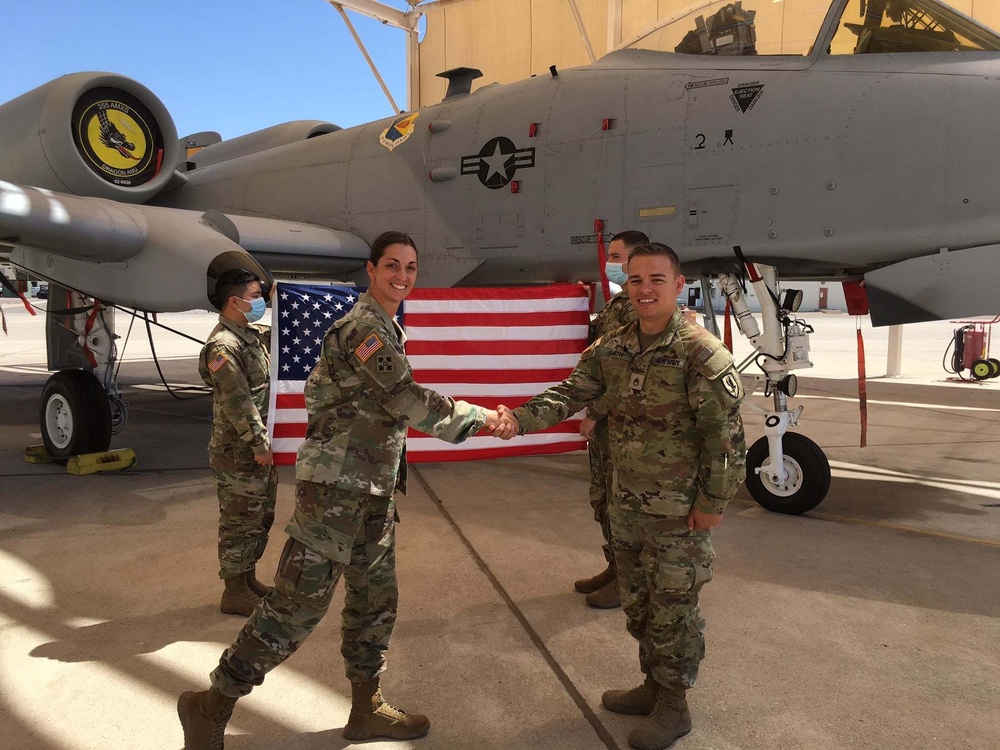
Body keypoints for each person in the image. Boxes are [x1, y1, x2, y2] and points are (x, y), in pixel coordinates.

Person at [178, 231, 502, 750]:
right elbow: (406, 399)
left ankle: (366, 708)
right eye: (393, 266)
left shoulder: (387, 325)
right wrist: (487, 419)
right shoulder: (363, 330)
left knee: (376, 601)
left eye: (411, 268)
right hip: (334, 491)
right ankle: (209, 705)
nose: (402, 276)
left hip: (371, 488)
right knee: (294, 609)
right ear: (371, 270)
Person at [494, 243, 746, 750]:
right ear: (625, 287)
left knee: (674, 608)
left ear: (678, 285)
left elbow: (726, 441)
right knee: (638, 604)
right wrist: (517, 419)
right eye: (635, 280)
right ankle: (652, 686)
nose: (645, 289)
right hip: (626, 505)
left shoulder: (701, 353)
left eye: (656, 279)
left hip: (678, 515)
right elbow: (569, 393)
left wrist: (712, 505)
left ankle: (675, 706)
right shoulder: (612, 346)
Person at [576, 229, 648, 609]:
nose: (610, 263)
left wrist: (595, 413)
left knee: (621, 504)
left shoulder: (636, 309)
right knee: (603, 499)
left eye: (617, 257)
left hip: (621, 424)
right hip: (606, 426)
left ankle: (628, 582)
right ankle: (615, 567)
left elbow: (626, 372)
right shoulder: (614, 306)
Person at [199, 268, 277, 617]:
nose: (260, 302)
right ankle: (233, 592)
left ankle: (247, 580)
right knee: (238, 523)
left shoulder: (249, 335)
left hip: (253, 450)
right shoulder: (223, 347)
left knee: (258, 519)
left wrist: (283, 301)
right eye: (256, 296)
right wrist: (259, 444)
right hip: (239, 452)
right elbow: (238, 401)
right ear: (235, 301)